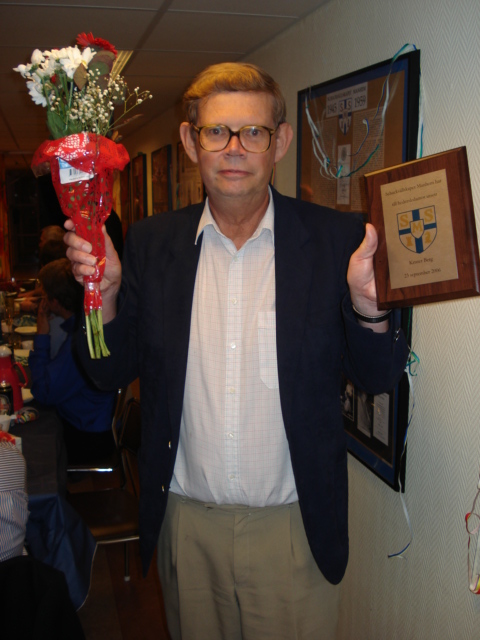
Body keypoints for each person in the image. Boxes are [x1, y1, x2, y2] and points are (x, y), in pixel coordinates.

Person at [64, 62, 409, 639]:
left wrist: (370, 306)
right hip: (187, 524)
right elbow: (106, 373)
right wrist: (108, 292)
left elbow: (376, 376)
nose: (234, 149)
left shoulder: (335, 241)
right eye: (217, 131)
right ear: (189, 140)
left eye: (253, 132)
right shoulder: (153, 244)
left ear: (280, 142)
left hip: (293, 530)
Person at [28, 258, 116, 465]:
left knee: (31, 446)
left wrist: (42, 335)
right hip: (87, 425)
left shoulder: (79, 343)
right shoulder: (83, 326)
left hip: (87, 437)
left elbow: (43, 391)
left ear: (55, 303)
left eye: (45, 296)